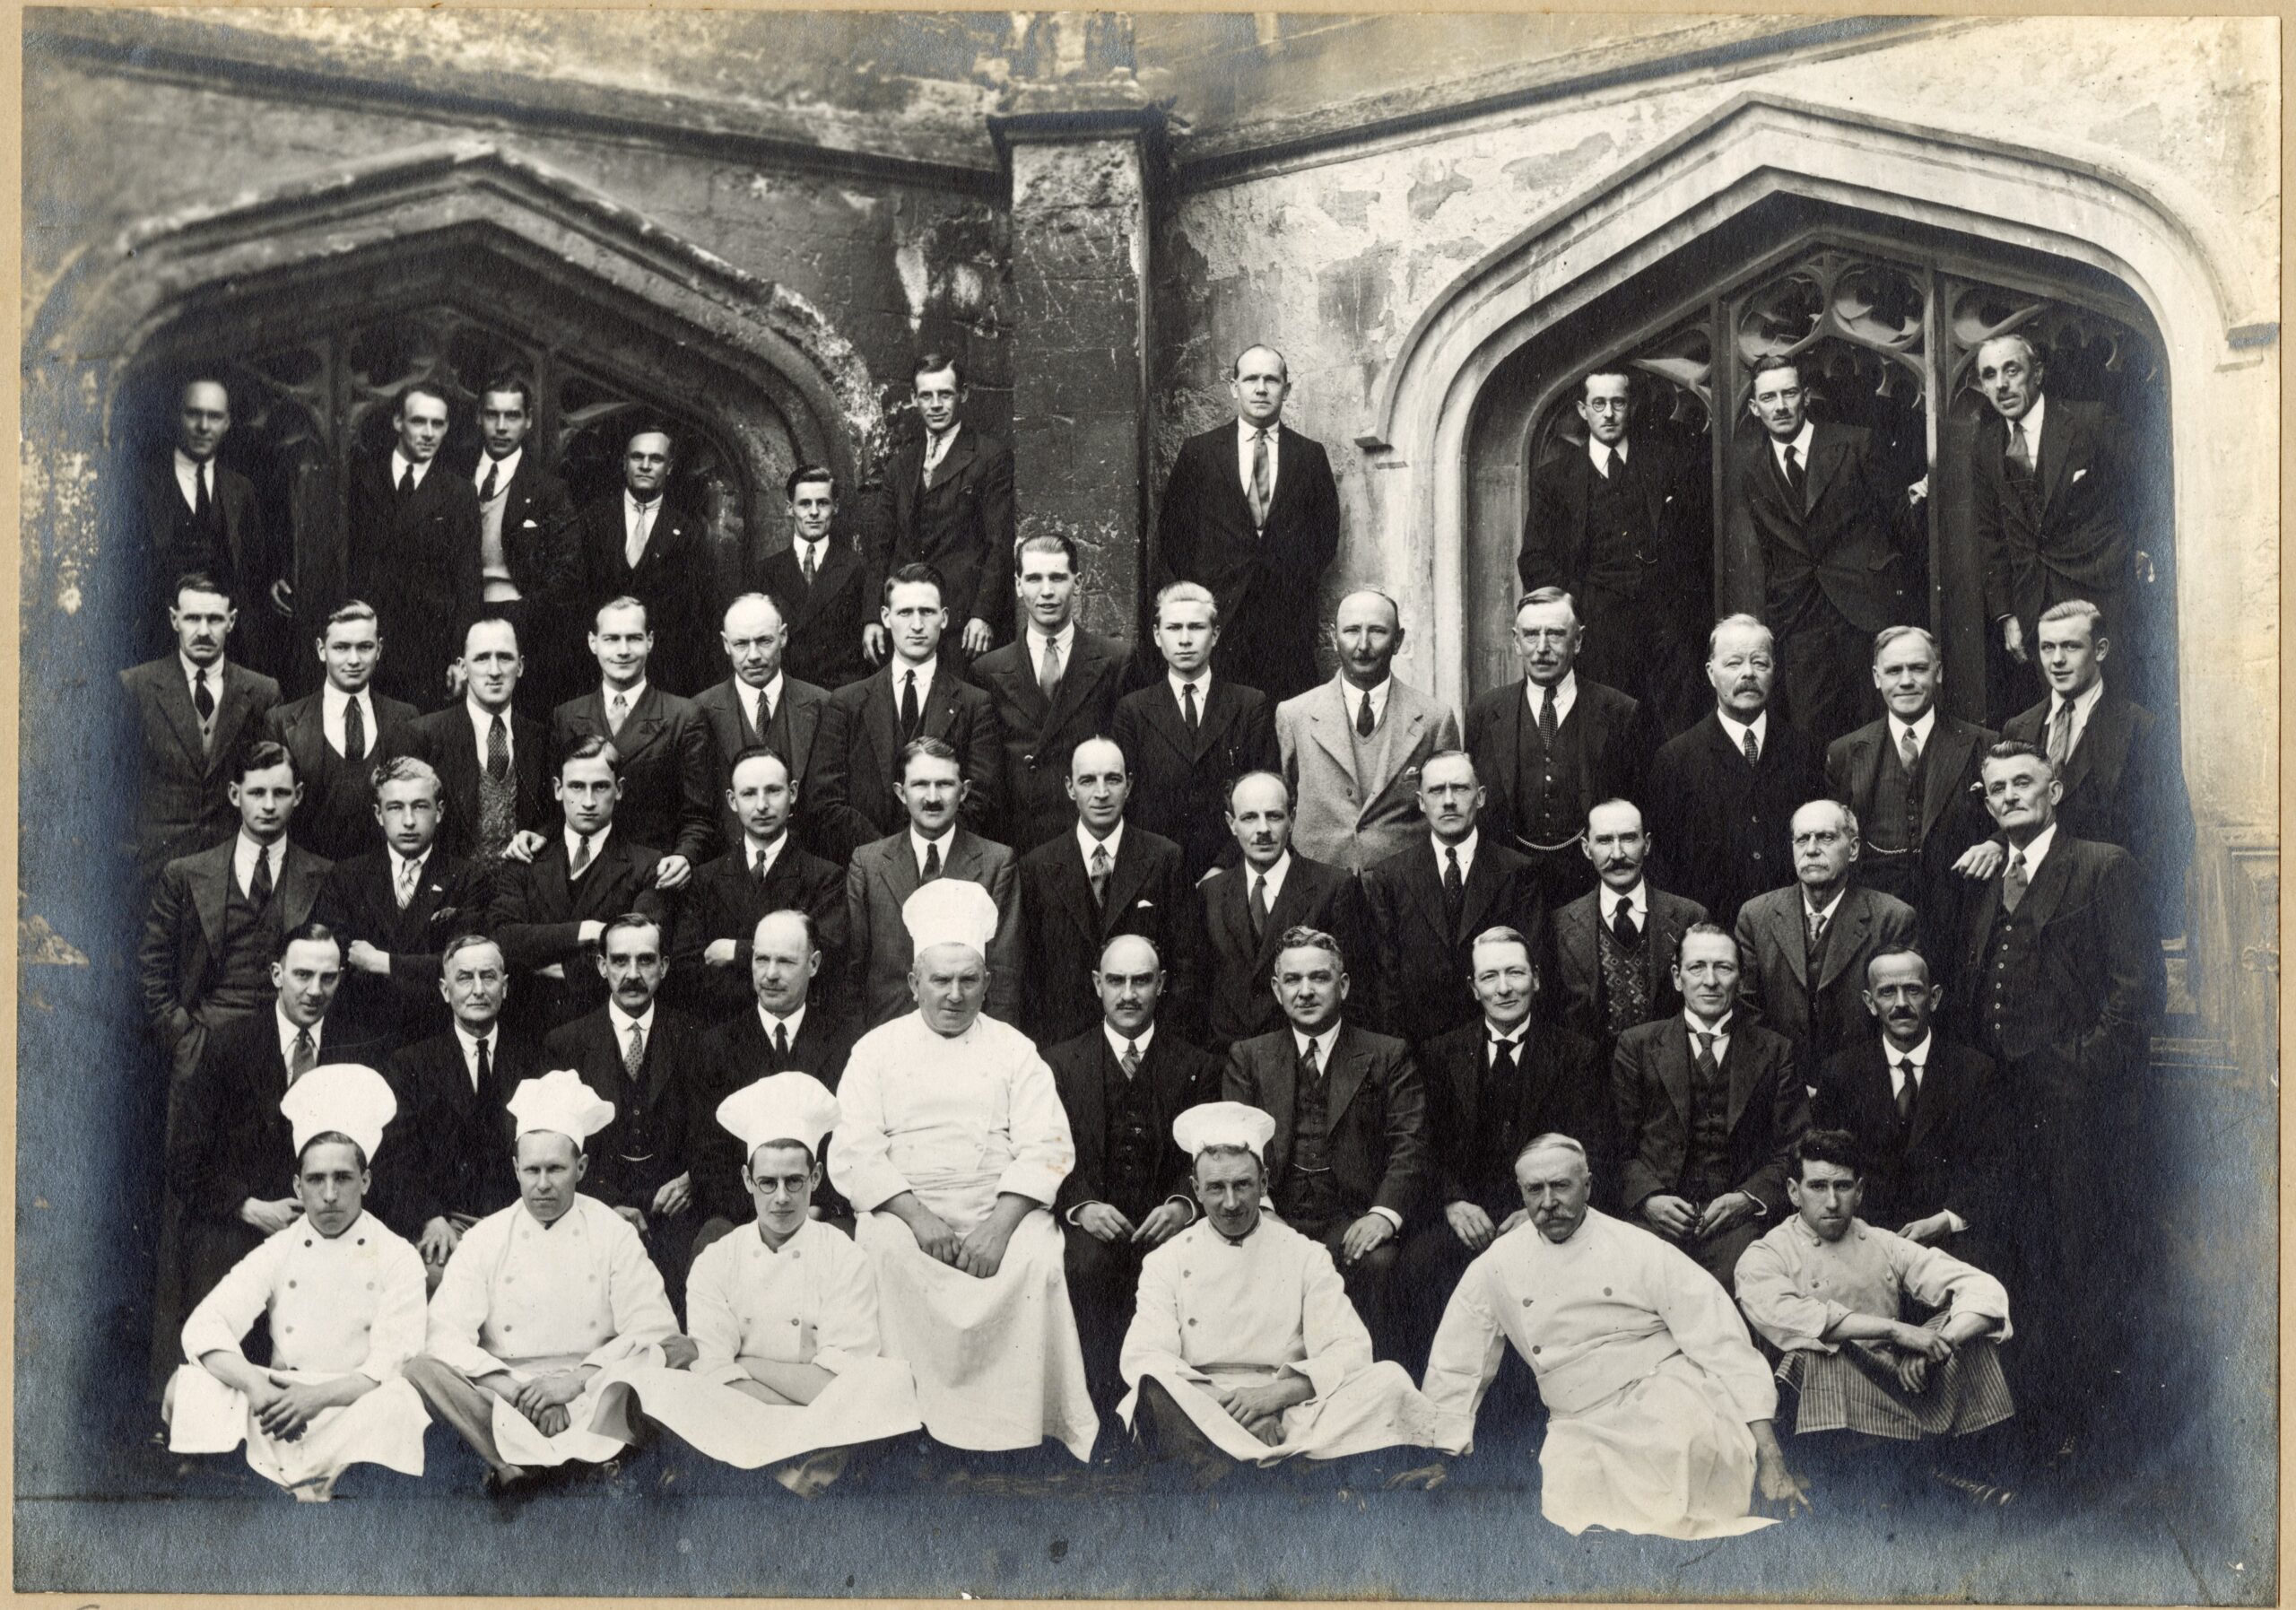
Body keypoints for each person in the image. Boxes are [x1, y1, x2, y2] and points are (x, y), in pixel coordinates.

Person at [828, 881, 1100, 1461]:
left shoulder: (1015, 1050)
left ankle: (1019, 1430)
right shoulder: (874, 1051)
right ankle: (903, 1429)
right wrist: (919, 1218)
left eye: (968, 979)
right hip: (907, 1211)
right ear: (913, 982)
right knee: (882, 1251)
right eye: (940, 979)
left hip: (996, 1208)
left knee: (1038, 1257)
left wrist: (999, 1227)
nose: (953, 994)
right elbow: (855, 1149)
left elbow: (1047, 1146)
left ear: (987, 982)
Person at [1422, 1133, 1808, 1537]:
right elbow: (1459, 1359)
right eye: (1535, 1190)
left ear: (1587, 1186)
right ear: (1520, 1192)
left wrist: (1771, 1455)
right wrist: (1440, 1453)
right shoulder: (1496, 1265)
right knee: (1580, 1505)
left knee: (1686, 1450)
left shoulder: (1637, 1247)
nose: (1548, 1202)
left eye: (1561, 1186)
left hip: (1664, 1390)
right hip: (1579, 1419)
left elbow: (1720, 1339)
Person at [1949, 739, 2152, 1458]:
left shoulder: (2103, 866)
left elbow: (2134, 996)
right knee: (2015, 1259)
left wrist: (2079, 1070)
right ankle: (2027, 1423)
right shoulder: (1985, 878)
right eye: (1995, 786)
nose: (2009, 795)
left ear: (2056, 789)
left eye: (2023, 782)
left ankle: (2095, 1436)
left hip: (2079, 1113)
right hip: (2003, 1117)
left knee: (2082, 1262)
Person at [587, 1075, 924, 1494]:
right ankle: (802, 1466)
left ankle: (742, 1468)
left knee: (886, 1385)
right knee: (657, 1381)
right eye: (768, 1182)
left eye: (794, 1181)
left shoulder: (845, 1256)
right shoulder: (717, 1259)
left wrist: (745, 1364)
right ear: (748, 1180)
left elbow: (837, 1379)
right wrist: (787, 1397)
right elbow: (712, 1370)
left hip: (780, 1404)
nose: (781, 1197)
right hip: (773, 1408)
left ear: (816, 1177)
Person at [1121, 1101, 1451, 1481]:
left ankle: (1232, 1474)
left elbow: (1350, 1349)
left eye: (1242, 1185)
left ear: (1263, 1184)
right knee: (1154, 1388)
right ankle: (1298, 1473)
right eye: (1216, 1188)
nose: (1230, 1203)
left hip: (1293, 1407)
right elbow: (1145, 1355)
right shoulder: (1167, 1260)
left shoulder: (1305, 1254)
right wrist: (1236, 1411)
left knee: (1389, 1380)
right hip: (1205, 1405)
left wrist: (1273, 1399)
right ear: (1196, 1189)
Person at [406, 1070, 687, 1494]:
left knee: (679, 1353)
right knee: (420, 1368)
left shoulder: (613, 1231)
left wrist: (574, 1384)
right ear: (515, 1168)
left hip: (595, 1392)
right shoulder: (486, 1237)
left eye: (556, 1169)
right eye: (532, 1169)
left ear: (581, 1167)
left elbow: (654, 1327)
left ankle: (530, 1466)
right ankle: (526, 1465)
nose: (542, 1185)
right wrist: (519, 1393)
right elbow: (444, 1336)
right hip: (504, 1397)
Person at [164, 1064, 430, 1501]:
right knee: (187, 1384)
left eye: (342, 1178)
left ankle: (278, 1476)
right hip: (280, 1400)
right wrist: (256, 1386)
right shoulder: (279, 1248)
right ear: (297, 1185)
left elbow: (391, 1362)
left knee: (398, 1404)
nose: (329, 1195)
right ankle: (282, 1476)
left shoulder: (398, 1254)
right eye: (316, 1180)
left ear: (365, 1180)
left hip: (351, 1401)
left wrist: (317, 1398)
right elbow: (206, 1325)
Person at [1735, 1130, 2014, 1488]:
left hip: (1894, 1382)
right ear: (1793, 1192)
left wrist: (1939, 1345)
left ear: (1861, 1191)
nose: (1833, 1202)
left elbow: (1982, 1287)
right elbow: (1792, 1316)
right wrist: (1896, 1330)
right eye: (1818, 1187)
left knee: (1965, 1322)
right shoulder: (1767, 1254)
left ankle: (1950, 1468)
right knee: (1812, 1353)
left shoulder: (1883, 1242)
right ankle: (1876, 1482)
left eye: (1844, 1187)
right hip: (1821, 1404)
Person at [1396, 927, 1608, 1363]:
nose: (1505, 988)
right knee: (1417, 1268)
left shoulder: (1577, 1054)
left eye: (1515, 973)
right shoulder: (1440, 1053)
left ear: (1536, 979)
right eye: (1490, 977)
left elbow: (1593, 1148)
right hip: (1465, 1215)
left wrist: (1537, 1212)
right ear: (1473, 989)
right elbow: (1425, 1145)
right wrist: (1453, 1201)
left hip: (1544, 1214)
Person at [153, 921, 345, 1388]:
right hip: (243, 1219)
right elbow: (186, 1160)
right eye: (302, 975)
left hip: (333, 1218)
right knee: (215, 1262)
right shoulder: (229, 1045)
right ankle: (207, 1418)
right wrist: (249, 1207)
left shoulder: (356, 1047)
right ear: (277, 974)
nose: (314, 990)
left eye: (328, 977)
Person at [1222, 926, 1428, 1357]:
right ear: (1277, 991)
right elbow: (1236, 1149)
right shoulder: (1249, 1056)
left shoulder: (1388, 1054)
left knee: (1381, 1263)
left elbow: (1409, 1143)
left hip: (1350, 1217)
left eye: (1319, 978)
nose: (1306, 991)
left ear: (1344, 985)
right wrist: (1261, 1212)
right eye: (1293, 981)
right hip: (1276, 1216)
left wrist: (1383, 1215)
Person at [1044, 935, 1222, 1417]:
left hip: (1167, 1224)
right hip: (1093, 1223)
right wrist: (1081, 1206)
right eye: (1116, 981)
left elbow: (1207, 1153)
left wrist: (1183, 1203)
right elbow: (1045, 1148)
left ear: (1161, 985)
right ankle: (1096, 1414)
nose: (1128, 994)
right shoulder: (1059, 1063)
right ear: (1097, 985)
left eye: (1141, 981)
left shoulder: (1197, 1065)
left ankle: (1166, 1417)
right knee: (1085, 1265)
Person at [1725, 354, 1925, 743]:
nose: (1780, 406)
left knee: (1877, 728)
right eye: (1768, 398)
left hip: (1865, 612)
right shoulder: (1751, 469)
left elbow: (1900, 525)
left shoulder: (1855, 443)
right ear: (1754, 407)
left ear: (1805, 396)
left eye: (1789, 393)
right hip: (1801, 623)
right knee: (1812, 735)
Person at [1612, 924, 1807, 1290]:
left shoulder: (1775, 1050)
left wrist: (1747, 1200)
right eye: (1697, 967)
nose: (1710, 981)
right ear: (1677, 977)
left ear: (1741, 977)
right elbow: (1614, 1146)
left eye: (1724, 968)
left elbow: (1794, 1148)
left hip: (1740, 1225)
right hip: (1655, 1221)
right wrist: (1648, 1199)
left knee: (1750, 1284)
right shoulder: (1636, 1046)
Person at [1517, 371, 1710, 735]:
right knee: (1609, 730)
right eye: (1599, 404)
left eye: (1617, 403)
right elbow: (1535, 558)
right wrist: (1573, 611)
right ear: (1582, 410)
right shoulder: (1555, 478)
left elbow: (1700, 543)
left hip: (1669, 626)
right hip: (1598, 629)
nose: (1609, 414)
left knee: (1675, 725)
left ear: (1630, 406)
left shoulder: (1667, 462)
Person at [1151, 344, 1341, 702]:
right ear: (1234, 387)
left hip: (1287, 622)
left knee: (1283, 719)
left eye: (1271, 379)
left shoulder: (1309, 456)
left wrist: (1290, 578)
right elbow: (1174, 533)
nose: (1261, 388)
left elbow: (1325, 536)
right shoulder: (1200, 453)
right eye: (1251, 378)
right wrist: (1208, 588)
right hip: (1220, 618)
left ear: (1287, 388)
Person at [137, 739, 331, 1085]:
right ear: (233, 794)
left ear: (298, 796)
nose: (269, 805)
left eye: (281, 793)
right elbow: (154, 966)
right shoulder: (185, 874)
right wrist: (184, 1038)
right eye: (256, 793)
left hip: (290, 1051)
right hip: (206, 1050)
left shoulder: (325, 876)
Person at [1999, 600, 2191, 944]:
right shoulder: (2020, 728)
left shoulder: (2139, 728)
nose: (2057, 660)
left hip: (2106, 923)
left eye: (2071, 646)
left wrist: (2131, 919)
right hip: (2032, 924)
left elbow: (2171, 832)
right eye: (2047, 647)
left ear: (2100, 650)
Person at [1968, 334, 2135, 715]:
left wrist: (2128, 559)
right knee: (2058, 716)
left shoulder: (2090, 421)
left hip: (2101, 595)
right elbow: (1989, 533)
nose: (2002, 385)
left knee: (2112, 713)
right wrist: (2007, 615)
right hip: (2035, 608)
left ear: (2037, 373)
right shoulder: (1987, 444)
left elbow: (2145, 492)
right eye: (1989, 375)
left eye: (2012, 370)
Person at [540, 914, 707, 1291]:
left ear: (664, 967)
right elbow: (557, 1145)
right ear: (602, 966)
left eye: (646, 960)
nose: (633, 973)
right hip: (593, 1207)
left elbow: (707, 1132)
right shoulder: (566, 1044)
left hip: (674, 1210)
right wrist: (605, 1202)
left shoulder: (694, 1039)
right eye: (619, 961)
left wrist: (691, 1179)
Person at [1812, 946, 2005, 1271]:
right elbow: (1829, 1166)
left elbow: (1993, 1167)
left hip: (1953, 1243)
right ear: (1870, 1003)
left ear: (1934, 998)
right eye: (1888, 992)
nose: (1901, 1004)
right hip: (1863, 1241)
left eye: (1913, 990)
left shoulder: (1976, 1072)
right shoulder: (1840, 1073)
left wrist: (1946, 1220)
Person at [1464, 588, 1655, 911]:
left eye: (1555, 634)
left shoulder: (1621, 712)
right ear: (1515, 641)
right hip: (1509, 893)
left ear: (1578, 641)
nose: (1541, 648)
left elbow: (1641, 807)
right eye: (1530, 635)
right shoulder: (1484, 712)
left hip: (1592, 890)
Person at [689, 910, 861, 1255]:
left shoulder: (847, 1045)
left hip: (822, 1213)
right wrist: (763, 1215)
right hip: (742, 1216)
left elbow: (852, 1144)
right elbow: (706, 1156)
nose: (770, 974)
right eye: (761, 959)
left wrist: (813, 1209)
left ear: (813, 964)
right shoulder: (716, 1045)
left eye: (785, 961)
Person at [1643, 614, 1828, 929]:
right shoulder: (1676, 759)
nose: (1748, 674)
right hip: (1710, 934)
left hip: (1790, 933)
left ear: (1774, 671)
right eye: (1733, 664)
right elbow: (1663, 865)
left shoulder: (1805, 752)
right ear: (1711, 673)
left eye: (1760, 663)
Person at [807, 563, 999, 862]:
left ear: (945, 618)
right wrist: (884, 858)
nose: (917, 625)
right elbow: (826, 801)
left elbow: (980, 800)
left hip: (946, 868)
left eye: (927, 612)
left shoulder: (975, 704)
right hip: (867, 871)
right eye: (905, 613)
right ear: (885, 617)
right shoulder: (847, 703)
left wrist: (928, 852)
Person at [1824, 625, 1999, 945]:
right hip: (1876, 928)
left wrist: (1996, 843)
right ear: (1877, 678)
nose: (1906, 681)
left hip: (1961, 920)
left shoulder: (1981, 744)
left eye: (1918, 668)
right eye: (1894, 671)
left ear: (1939, 672)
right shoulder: (1845, 752)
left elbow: (2016, 821)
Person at [1015, 736, 1194, 1047]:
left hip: (1145, 1042)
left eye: (1112, 779)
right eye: (1088, 781)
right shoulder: (1037, 866)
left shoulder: (1165, 858)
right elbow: (1030, 974)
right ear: (1070, 788)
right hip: (1064, 1047)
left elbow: (1186, 963)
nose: (1101, 793)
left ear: (1129, 785)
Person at [488, 737, 670, 1036]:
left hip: (606, 1033)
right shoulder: (525, 859)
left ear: (619, 789)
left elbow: (640, 952)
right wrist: (587, 931)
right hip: (527, 1030)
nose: (588, 801)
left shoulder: (647, 865)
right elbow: (501, 941)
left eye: (600, 787)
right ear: (559, 789)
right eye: (576, 787)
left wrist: (547, 965)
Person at [314, 754, 491, 1059]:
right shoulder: (347, 877)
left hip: (436, 1041)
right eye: (396, 808)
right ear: (378, 814)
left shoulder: (467, 878)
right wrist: (421, 967)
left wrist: (381, 962)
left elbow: (462, 966)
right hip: (362, 1039)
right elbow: (340, 961)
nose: (409, 821)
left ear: (440, 811)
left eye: (420, 806)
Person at [1358, 750, 1538, 1049]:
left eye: (1460, 788)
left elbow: (1530, 972)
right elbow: (1386, 985)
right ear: (1420, 802)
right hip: (1416, 1052)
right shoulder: (1390, 877)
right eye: (1437, 790)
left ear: (1480, 797)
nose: (1449, 800)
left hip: (1494, 1049)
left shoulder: (1517, 872)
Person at [1731, 801, 1919, 1087]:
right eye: (1802, 839)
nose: (1812, 849)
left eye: (1826, 837)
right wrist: (1786, 1081)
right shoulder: (1756, 916)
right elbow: (1747, 1012)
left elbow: (1898, 1017)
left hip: (1862, 1088)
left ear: (1853, 848)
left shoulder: (1892, 918)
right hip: (1780, 1089)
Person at [385, 934, 539, 1281]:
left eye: (488, 976)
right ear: (444, 989)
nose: (478, 989)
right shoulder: (412, 1064)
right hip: (447, 1223)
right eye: (465, 978)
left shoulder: (535, 1060)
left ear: (505, 986)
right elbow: (399, 1156)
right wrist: (430, 1218)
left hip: (520, 1222)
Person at [1276, 590, 1463, 875]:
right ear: (1333, 636)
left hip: (1403, 895)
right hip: (1317, 892)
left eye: (1377, 631)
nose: (1363, 645)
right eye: (1351, 631)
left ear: (1398, 640)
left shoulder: (1434, 719)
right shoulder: (1294, 715)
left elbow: (1448, 814)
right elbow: (1280, 807)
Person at [969, 533, 1136, 850]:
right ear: (1018, 585)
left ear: (1078, 581)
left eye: (1058, 578)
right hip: (1020, 844)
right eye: (1034, 579)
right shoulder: (988, 671)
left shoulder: (1115, 661)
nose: (1046, 591)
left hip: (1088, 839)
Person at [1111, 581, 1280, 883]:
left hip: (1231, 873)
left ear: (1214, 635)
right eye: (1174, 628)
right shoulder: (1133, 710)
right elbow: (1127, 801)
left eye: (1197, 627)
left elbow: (1265, 792)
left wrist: (1223, 867)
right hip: (1155, 874)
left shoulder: (1249, 704)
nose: (1185, 640)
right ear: (1156, 636)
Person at [119, 573, 283, 885]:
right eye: (193, 618)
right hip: (154, 869)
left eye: (215, 619)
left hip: (233, 873)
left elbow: (270, 785)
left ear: (231, 621)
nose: (204, 631)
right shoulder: (136, 687)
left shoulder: (262, 692)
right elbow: (117, 784)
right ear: (174, 619)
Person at [845, 737, 1021, 1026]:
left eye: (944, 784)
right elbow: (852, 975)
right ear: (901, 793)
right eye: (920, 784)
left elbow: (1004, 980)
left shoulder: (996, 863)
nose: (932, 797)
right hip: (889, 1040)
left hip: (968, 1039)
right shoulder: (868, 863)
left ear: (964, 791)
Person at [668, 747, 847, 1023]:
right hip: (721, 1030)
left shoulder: (824, 877)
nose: (762, 805)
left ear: (793, 792)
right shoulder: (704, 879)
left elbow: (824, 960)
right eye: (749, 793)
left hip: (792, 1028)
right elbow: (687, 969)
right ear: (732, 800)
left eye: (774, 791)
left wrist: (737, 952)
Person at [550, 596, 716, 888]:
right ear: (593, 642)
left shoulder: (684, 716)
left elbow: (699, 815)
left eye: (634, 639)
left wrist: (685, 857)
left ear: (650, 641)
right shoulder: (566, 716)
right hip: (584, 875)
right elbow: (555, 807)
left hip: (654, 874)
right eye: (612, 639)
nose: (623, 651)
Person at [864, 353, 1016, 659]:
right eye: (926, 396)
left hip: (962, 626)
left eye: (945, 394)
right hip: (907, 622)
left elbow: (999, 544)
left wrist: (982, 615)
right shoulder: (900, 466)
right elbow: (881, 547)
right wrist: (871, 617)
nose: (935, 404)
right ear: (913, 399)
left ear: (963, 394)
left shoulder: (989, 457)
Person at [1197, 771, 1360, 1055]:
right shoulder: (1210, 892)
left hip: (1306, 1058)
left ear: (1292, 818)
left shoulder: (1333, 887)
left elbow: (1356, 992)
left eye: (1273, 816)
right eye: (1249, 818)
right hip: (1229, 1062)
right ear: (1231, 823)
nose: (1263, 829)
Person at [344, 382, 483, 711]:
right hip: (366, 644)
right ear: (398, 423)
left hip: (428, 651)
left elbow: (468, 581)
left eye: (438, 424)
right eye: (419, 421)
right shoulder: (360, 478)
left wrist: (460, 658)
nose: (429, 433)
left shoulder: (459, 492)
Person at [126, 378, 282, 668]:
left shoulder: (241, 489)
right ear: (177, 416)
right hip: (157, 646)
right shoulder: (139, 484)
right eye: (194, 413)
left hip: (228, 648)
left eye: (215, 416)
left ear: (227, 423)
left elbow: (257, 566)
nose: (203, 426)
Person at [1546, 799, 1709, 1057]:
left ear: (1648, 845)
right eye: (1604, 841)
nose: (1618, 854)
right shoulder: (1560, 925)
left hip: (1670, 1077)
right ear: (1587, 849)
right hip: (1592, 1080)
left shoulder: (1690, 916)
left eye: (1629, 838)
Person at [262, 602, 418, 865]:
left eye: (365, 647)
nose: (354, 660)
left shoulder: (405, 719)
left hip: (382, 882)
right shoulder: (282, 722)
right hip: (308, 882)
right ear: (322, 650)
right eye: (342, 647)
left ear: (379, 649)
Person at [569, 425, 716, 696]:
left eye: (656, 459)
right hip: (594, 672)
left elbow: (695, 612)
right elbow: (576, 596)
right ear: (624, 463)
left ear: (669, 467)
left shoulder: (688, 530)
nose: (646, 465)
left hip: (662, 673)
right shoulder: (593, 519)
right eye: (637, 457)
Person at [465, 375, 580, 716]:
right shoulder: (454, 478)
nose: (501, 427)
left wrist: (522, 614)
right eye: (492, 415)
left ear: (528, 421)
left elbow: (568, 573)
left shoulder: (548, 490)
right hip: (462, 619)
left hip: (524, 624)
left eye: (512, 416)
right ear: (478, 417)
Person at [402, 615, 553, 867]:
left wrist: (540, 837)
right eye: (482, 658)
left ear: (521, 666)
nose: (494, 671)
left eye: (505, 657)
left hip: (522, 894)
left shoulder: (541, 737)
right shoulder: (424, 736)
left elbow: (556, 817)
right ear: (462, 668)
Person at [692, 593, 831, 855]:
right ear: (725, 644)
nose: (753, 655)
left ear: (784, 636)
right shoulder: (699, 711)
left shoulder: (823, 705)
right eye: (741, 644)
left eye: (764, 641)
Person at [753, 465, 871, 691]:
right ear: (790, 508)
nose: (814, 512)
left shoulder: (857, 568)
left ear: (835, 507)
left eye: (823, 503)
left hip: (839, 698)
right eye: (805, 503)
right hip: (786, 698)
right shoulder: (765, 572)